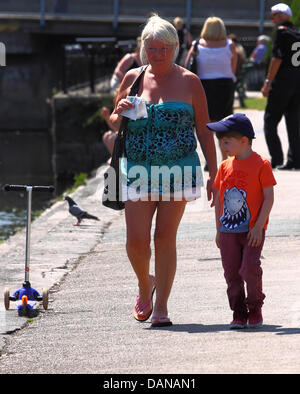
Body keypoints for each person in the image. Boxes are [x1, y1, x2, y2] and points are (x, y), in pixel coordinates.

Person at [109, 14, 217, 327]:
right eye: (151, 48)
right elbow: (116, 123)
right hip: (138, 171)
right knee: (136, 242)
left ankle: (162, 308)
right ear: (143, 48)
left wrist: (214, 171)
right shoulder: (133, 78)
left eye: (164, 48)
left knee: (164, 237)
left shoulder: (189, 81)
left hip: (179, 170)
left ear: (174, 47)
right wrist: (120, 113)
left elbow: (204, 130)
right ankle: (146, 284)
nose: (157, 54)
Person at [207, 113, 277, 329]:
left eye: (227, 141)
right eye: (221, 141)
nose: (223, 145)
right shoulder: (224, 167)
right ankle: (239, 312)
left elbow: (269, 198)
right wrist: (218, 230)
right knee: (231, 272)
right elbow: (219, 199)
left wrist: (258, 226)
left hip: (252, 231)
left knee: (248, 268)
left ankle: (254, 307)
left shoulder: (261, 164)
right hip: (228, 231)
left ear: (244, 141)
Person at [185, 17, 237, 162]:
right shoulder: (230, 45)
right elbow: (233, 67)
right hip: (225, 86)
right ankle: (224, 157)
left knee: (204, 124)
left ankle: (210, 159)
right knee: (224, 124)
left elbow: (187, 66)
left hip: (203, 86)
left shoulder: (196, 45)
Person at [261, 3, 300, 170]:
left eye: (274, 15)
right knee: (294, 122)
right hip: (298, 81)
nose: (272, 19)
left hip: (283, 81)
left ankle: (276, 159)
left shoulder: (281, 32)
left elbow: (277, 59)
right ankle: (295, 160)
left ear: (284, 15)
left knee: (270, 120)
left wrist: (268, 82)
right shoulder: (298, 32)